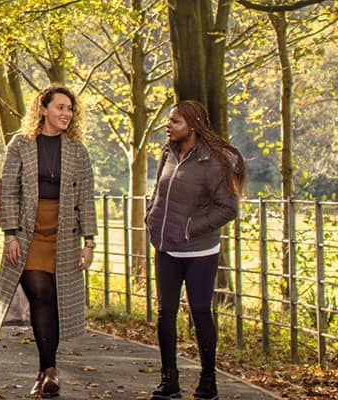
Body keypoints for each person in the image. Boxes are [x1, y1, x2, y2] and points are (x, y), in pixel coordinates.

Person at [0, 85, 97, 398]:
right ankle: (50, 370)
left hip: (64, 235)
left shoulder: (78, 151)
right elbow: (8, 190)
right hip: (26, 233)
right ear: (44, 109)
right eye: (60, 107)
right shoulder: (20, 144)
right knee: (40, 293)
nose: (66, 113)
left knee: (56, 301)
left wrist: (89, 242)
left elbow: (86, 198)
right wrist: (9, 234)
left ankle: (44, 370)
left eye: (70, 109)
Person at [145, 100, 245, 400]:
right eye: (168, 120)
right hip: (165, 249)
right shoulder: (168, 153)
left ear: (192, 124)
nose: (168, 125)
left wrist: (191, 227)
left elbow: (228, 208)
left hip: (199, 253)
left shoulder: (214, 161)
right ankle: (169, 381)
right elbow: (158, 191)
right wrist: (151, 214)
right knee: (165, 314)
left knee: (201, 313)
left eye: (174, 121)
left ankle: (208, 380)